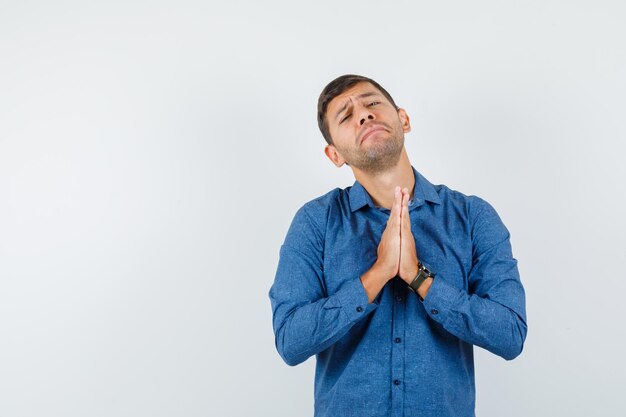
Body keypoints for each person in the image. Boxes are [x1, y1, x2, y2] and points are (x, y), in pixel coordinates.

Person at [269, 74, 527, 417]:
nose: (363, 114)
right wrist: (376, 275)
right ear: (334, 155)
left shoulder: (472, 216)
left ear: (403, 119)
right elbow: (290, 340)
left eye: (372, 103)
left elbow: (510, 334)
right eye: (346, 116)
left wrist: (418, 278)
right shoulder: (316, 222)